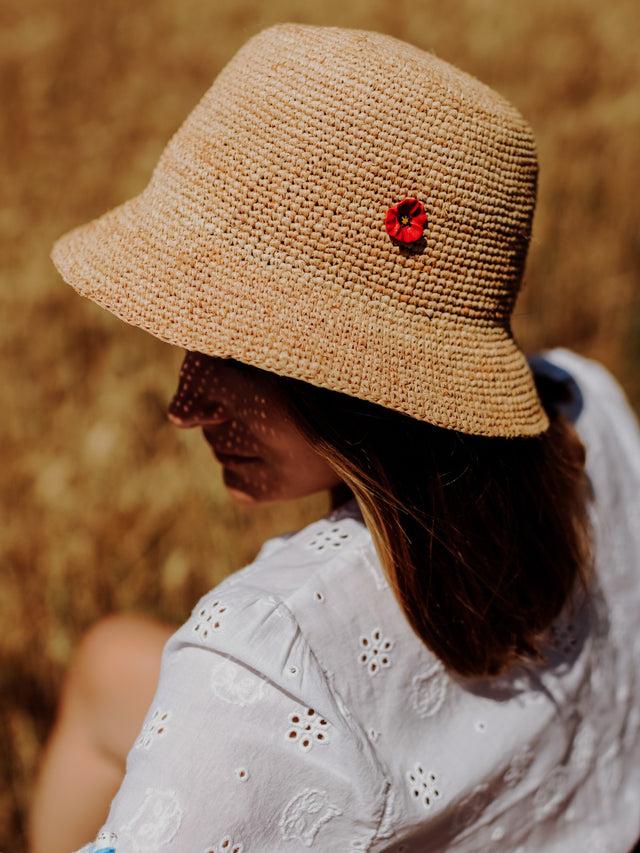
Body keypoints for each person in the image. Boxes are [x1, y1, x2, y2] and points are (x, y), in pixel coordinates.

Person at [29, 22, 640, 853]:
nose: (186, 405)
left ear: (363, 387)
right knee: (109, 663)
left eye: (240, 354)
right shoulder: (588, 406)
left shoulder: (264, 651)